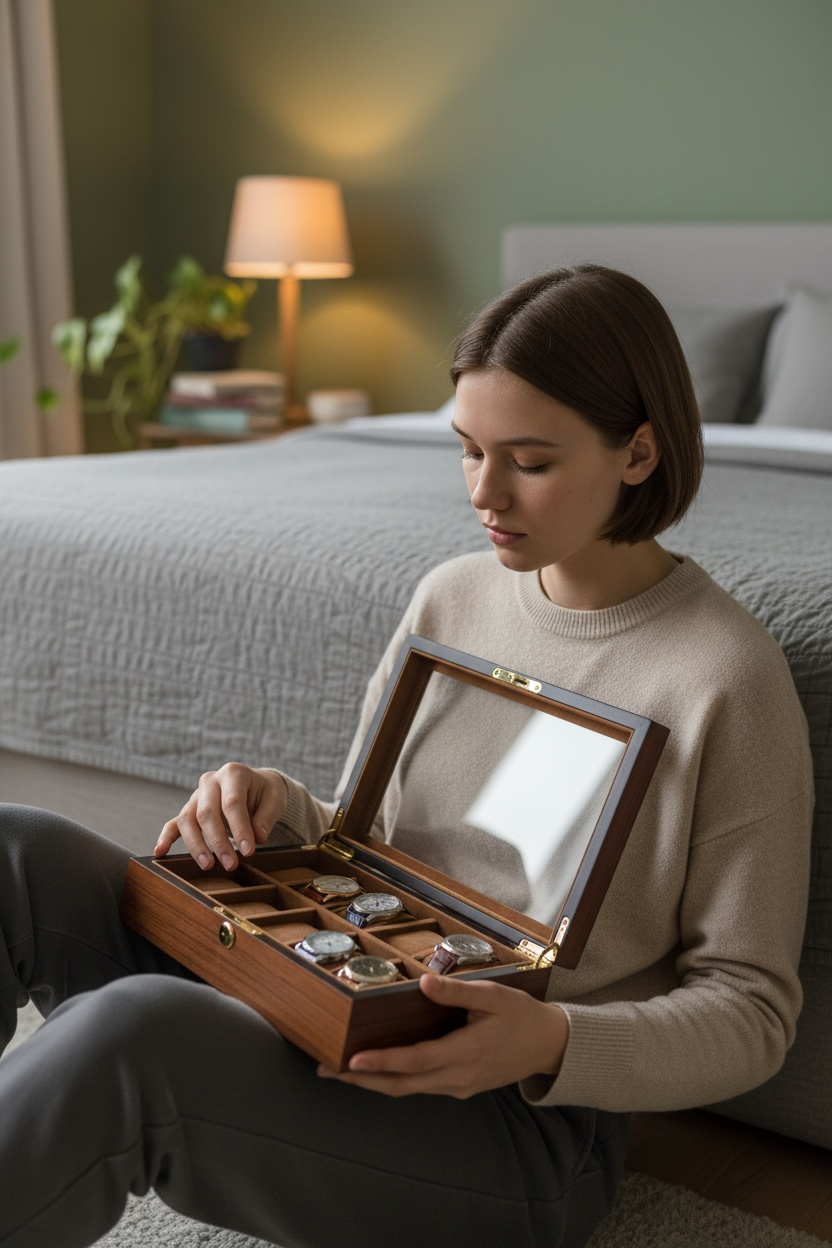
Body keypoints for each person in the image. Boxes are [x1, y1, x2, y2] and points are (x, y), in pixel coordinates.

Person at [0, 266, 813, 1248]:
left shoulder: (723, 676)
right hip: (336, 997)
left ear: (637, 451)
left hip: (518, 1127)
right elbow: (369, 845)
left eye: (529, 461)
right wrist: (267, 804)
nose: (484, 491)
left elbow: (751, 1013)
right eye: (467, 449)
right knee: (16, 854)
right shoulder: (452, 595)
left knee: (129, 1042)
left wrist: (553, 1039)